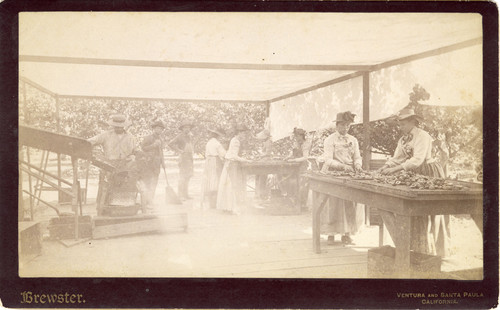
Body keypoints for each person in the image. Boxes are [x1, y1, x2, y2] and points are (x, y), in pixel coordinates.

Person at [378, 108, 450, 257]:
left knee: (428, 212)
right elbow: (397, 157)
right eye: (399, 124)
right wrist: (387, 166)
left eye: (403, 124)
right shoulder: (403, 138)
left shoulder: (422, 136)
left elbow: (418, 160)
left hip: (428, 172)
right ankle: (416, 250)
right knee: (413, 213)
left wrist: (395, 170)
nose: (400, 127)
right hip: (414, 172)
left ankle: (432, 252)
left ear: (412, 122)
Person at [320, 111, 364, 245]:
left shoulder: (353, 140)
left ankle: (347, 233)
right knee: (333, 203)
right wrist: (342, 166)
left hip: (349, 173)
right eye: (343, 125)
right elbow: (327, 159)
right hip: (334, 172)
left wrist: (357, 164)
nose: (345, 128)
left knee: (349, 202)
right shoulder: (330, 140)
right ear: (337, 125)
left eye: (348, 126)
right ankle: (331, 234)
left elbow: (357, 156)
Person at [88, 114, 138, 215]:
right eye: (116, 126)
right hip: (108, 163)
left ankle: (123, 208)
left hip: (125, 164)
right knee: (105, 186)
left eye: (121, 126)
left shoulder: (130, 137)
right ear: (113, 125)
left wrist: (136, 154)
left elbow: (135, 149)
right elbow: (89, 142)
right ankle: (101, 208)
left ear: (124, 126)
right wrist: (96, 153)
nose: (119, 128)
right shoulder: (105, 135)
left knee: (124, 185)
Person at [216, 124, 251, 214]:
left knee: (227, 185)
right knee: (231, 185)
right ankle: (230, 207)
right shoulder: (236, 141)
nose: (244, 135)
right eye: (243, 133)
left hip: (229, 163)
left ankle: (226, 207)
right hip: (231, 164)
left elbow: (231, 153)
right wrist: (245, 160)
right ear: (239, 133)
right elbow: (234, 156)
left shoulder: (234, 140)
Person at [140, 120, 165, 211]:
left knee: (154, 183)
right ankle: (145, 202)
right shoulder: (148, 138)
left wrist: (163, 162)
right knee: (148, 183)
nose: (159, 130)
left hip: (157, 164)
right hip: (148, 163)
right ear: (154, 129)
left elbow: (161, 152)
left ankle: (151, 201)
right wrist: (153, 145)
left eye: (161, 129)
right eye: (157, 128)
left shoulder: (161, 139)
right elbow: (143, 148)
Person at [284, 127, 312, 210]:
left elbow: (305, 157)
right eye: (295, 136)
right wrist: (288, 157)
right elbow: (293, 152)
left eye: (297, 136)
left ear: (301, 136)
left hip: (304, 166)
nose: (296, 138)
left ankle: (303, 204)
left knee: (303, 185)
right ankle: (296, 202)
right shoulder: (297, 143)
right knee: (295, 183)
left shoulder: (306, 144)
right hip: (296, 166)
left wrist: (294, 160)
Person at [168, 120, 195, 201]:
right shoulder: (179, 136)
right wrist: (179, 150)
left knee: (188, 176)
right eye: (185, 128)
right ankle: (180, 195)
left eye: (189, 128)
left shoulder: (189, 136)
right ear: (182, 129)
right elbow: (170, 144)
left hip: (189, 157)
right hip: (183, 158)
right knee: (182, 176)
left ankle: (185, 194)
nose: (187, 129)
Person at [202, 127, 227, 209]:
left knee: (209, 180)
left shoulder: (209, 142)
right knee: (215, 180)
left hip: (208, 162)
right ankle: (214, 203)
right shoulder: (217, 143)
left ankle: (211, 202)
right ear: (218, 136)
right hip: (215, 161)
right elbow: (223, 154)